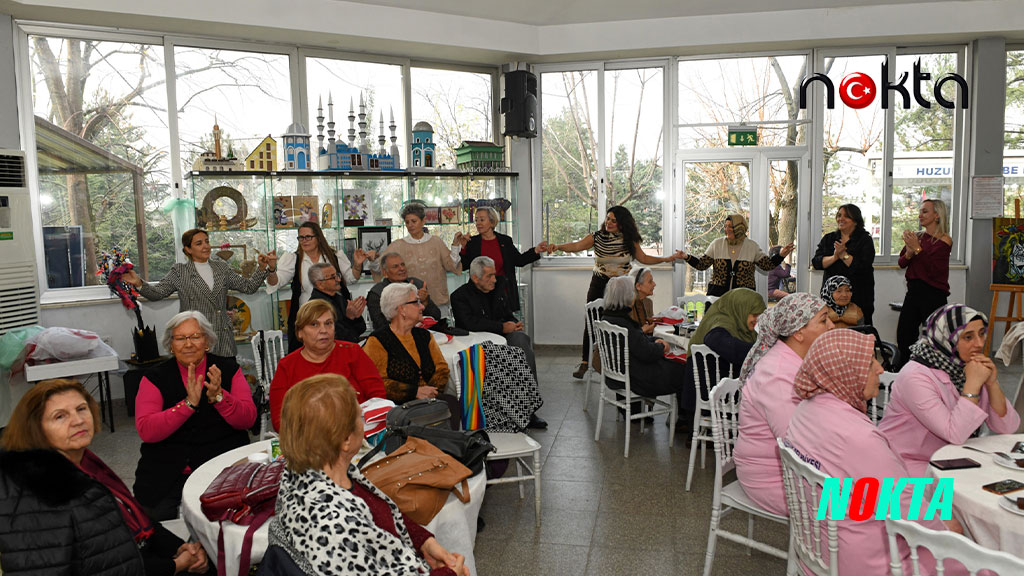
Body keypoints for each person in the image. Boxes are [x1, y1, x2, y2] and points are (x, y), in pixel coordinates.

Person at [785, 329, 962, 576]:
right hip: (868, 559)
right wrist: (949, 529)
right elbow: (904, 503)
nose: (880, 369)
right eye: (870, 363)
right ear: (846, 373)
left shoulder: (807, 410)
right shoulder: (856, 436)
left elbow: (860, 487)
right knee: (968, 540)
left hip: (822, 540)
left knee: (937, 496)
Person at [0, 379, 211, 576]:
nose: (77, 421)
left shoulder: (87, 463)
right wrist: (176, 565)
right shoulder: (39, 493)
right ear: (36, 429)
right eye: (60, 416)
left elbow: (131, 513)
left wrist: (179, 547)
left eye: (81, 409)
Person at [265, 374, 470, 576]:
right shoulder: (336, 528)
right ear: (346, 439)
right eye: (358, 416)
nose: (362, 421)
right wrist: (451, 573)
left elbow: (380, 514)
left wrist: (424, 541)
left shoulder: (307, 475)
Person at [134, 311, 256, 521]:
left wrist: (219, 397)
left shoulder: (228, 369)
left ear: (207, 341)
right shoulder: (154, 377)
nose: (188, 344)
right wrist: (188, 405)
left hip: (221, 465)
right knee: (153, 525)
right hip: (167, 468)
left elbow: (248, 419)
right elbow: (147, 430)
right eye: (180, 338)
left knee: (231, 521)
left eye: (195, 337)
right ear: (171, 345)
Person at [879, 304, 1020, 477]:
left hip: (952, 458)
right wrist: (973, 385)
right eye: (968, 337)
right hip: (906, 465)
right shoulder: (915, 376)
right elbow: (955, 434)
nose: (980, 343)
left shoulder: (964, 367)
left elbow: (1008, 427)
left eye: (982, 333)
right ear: (945, 339)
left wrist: (991, 383)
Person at [546, 205, 683, 379]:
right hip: (599, 282)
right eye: (608, 219)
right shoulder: (597, 237)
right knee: (592, 321)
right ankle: (586, 362)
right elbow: (576, 246)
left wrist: (666, 259)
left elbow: (644, 258)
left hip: (621, 286)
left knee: (622, 322)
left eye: (614, 220)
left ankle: (620, 361)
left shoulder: (629, 240)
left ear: (621, 223)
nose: (609, 223)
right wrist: (558, 246)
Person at [734, 293, 833, 516]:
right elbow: (796, 443)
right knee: (876, 503)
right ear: (799, 333)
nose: (832, 325)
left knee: (890, 497)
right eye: (824, 320)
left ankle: (916, 532)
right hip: (773, 477)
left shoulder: (797, 360)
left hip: (798, 470)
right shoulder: (777, 376)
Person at [124, 228, 272, 357]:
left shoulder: (222, 268)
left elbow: (248, 287)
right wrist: (139, 283)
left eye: (207, 241)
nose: (206, 246)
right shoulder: (180, 271)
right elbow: (157, 293)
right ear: (188, 249)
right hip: (195, 339)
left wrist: (261, 268)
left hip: (223, 338)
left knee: (226, 384)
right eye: (199, 243)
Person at [451, 256, 546, 429]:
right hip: (476, 341)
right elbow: (469, 323)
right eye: (489, 276)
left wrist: (513, 323)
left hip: (502, 336)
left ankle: (529, 407)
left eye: (494, 275)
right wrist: (502, 327)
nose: (494, 279)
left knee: (522, 341)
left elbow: (506, 312)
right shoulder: (459, 296)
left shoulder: (497, 288)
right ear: (475, 278)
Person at [269, 299, 385, 431]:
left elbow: (378, 398)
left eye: (328, 323)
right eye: (314, 324)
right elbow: (279, 420)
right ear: (300, 332)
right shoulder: (287, 366)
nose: (323, 330)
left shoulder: (352, 352)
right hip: (309, 441)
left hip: (357, 433)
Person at [266, 222, 371, 353]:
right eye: (301, 237)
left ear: (318, 237)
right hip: (308, 319)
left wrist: (357, 265)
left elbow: (350, 278)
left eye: (308, 237)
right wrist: (271, 269)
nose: (304, 241)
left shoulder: (334, 256)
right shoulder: (294, 259)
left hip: (336, 316)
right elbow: (276, 282)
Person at [681, 288, 766, 429]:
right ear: (741, 309)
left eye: (760, 315)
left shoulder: (740, 323)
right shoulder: (720, 321)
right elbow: (717, 340)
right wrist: (760, 351)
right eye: (754, 314)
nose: (757, 320)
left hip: (720, 388)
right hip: (712, 392)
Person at [363, 283, 454, 410]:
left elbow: (442, 369)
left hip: (431, 401)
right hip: (398, 408)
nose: (422, 306)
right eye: (416, 302)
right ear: (401, 309)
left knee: (453, 404)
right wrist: (414, 392)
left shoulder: (424, 336)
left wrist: (431, 392)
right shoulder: (377, 341)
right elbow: (376, 382)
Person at [600, 276, 688, 401]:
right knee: (685, 371)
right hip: (637, 378)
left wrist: (654, 341)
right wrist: (662, 346)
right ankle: (684, 417)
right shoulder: (624, 323)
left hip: (617, 376)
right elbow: (646, 353)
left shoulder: (607, 318)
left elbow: (636, 341)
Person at [457, 206, 548, 313]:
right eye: (476, 220)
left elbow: (519, 260)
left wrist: (536, 250)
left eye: (482, 220)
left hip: (503, 294)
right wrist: (463, 248)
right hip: (480, 294)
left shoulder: (505, 241)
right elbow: (465, 266)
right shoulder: (472, 243)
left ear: (492, 222)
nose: (478, 223)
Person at [378, 202, 463, 313]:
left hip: (438, 302)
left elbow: (451, 264)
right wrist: (371, 259)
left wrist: (455, 245)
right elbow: (380, 264)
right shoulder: (398, 245)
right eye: (407, 222)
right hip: (410, 303)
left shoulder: (436, 242)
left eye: (414, 221)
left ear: (423, 221)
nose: (410, 225)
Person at [679, 214, 793, 297]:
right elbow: (701, 265)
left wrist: (781, 255)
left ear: (740, 228)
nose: (726, 229)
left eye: (730, 226)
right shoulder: (717, 244)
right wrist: (686, 256)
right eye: (725, 226)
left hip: (743, 298)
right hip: (718, 297)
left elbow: (767, 265)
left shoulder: (752, 246)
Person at [897, 199, 953, 366]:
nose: (920, 215)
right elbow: (902, 263)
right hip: (914, 292)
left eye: (925, 211)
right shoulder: (918, 236)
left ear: (937, 215)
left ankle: (932, 372)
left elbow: (933, 269)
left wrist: (918, 249)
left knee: (934, 338)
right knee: (904, 334)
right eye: (920, 211)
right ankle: (903, 370)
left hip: (933, 293)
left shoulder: (945, 240)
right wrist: (909, 252)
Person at [811, 203, 876, 325]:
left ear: (856, 221)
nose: (841, 219)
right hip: (832, 297)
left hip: (859, 295)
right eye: (839, 215)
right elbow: (817, 262)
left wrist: (844, 255)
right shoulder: (829, 238)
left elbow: (863, 266)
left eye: (846, 216)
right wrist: (835, 257)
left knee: (859, 331)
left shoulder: (865, 239)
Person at [367, 252, 443, 330]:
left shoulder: (417, 285)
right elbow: (381, 325)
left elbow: (436, 316)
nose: (402, 269)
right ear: (385, 273)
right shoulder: (377, 293)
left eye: (403, 265)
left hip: (422, 333)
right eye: (395, 266)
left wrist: (425, 302)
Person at [308, 262, 367, 342]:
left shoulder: (339, 298)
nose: (338, 279)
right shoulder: (316, 307)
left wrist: (356, 316)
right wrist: (349, 318)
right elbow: (336, 338)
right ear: (320, 284)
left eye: (337, 275)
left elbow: (361, 328)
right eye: (333, 277)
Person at [630, 267, 656, 335]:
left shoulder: (648, 303)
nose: (654, 284)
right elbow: (627, 335)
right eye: (650, 281)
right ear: (638, 286)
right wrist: (642, 330)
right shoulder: (628, 305)